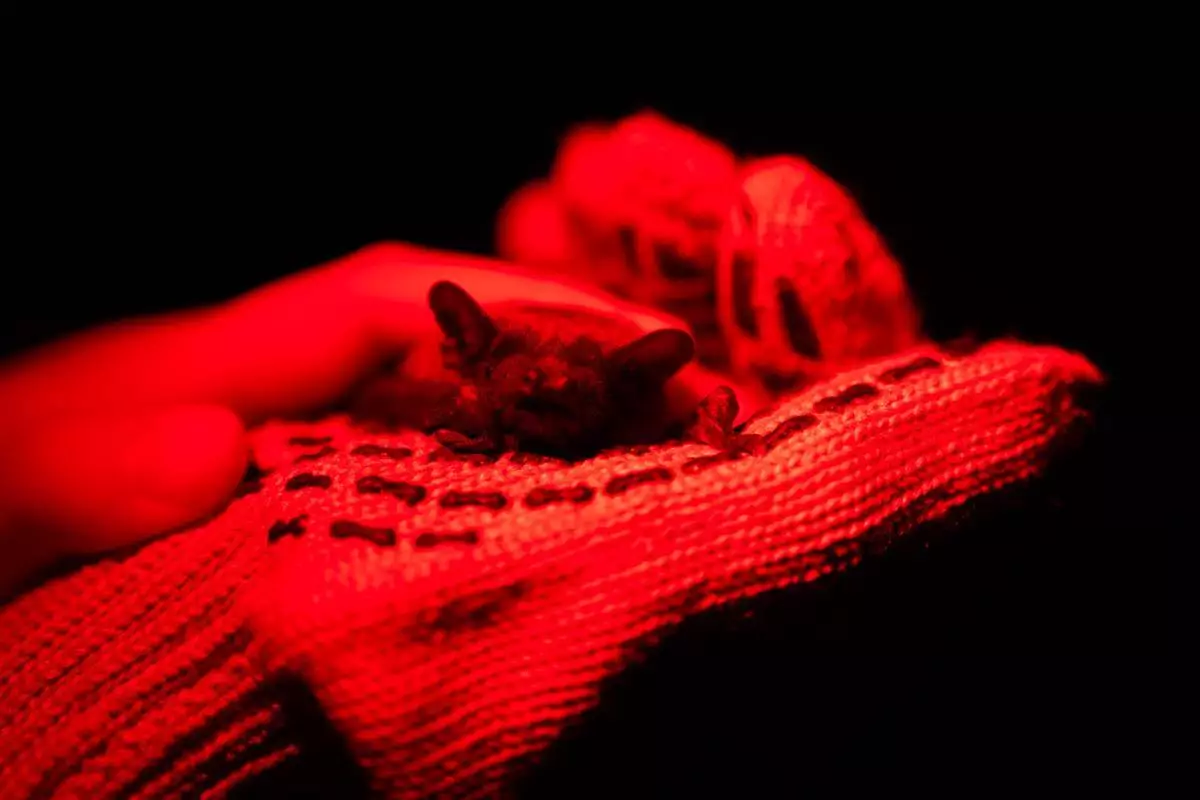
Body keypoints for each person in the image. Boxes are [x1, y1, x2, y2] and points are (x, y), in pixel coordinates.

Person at [0, 241, 746, 598]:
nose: (546, 384)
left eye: (567, 383)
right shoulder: (440, 395)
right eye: (522, 377)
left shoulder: (636, 405)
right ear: (472, 364)